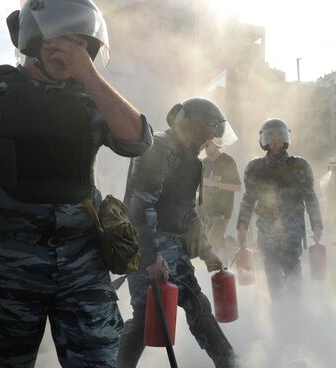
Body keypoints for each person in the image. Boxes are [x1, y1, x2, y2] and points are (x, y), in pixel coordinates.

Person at [0, 1, 152, 366]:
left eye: (83, 42)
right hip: (9, 260)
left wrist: (90, 75)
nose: (73, 49)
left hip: (84, 260)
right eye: (64, 38)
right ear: (34, 35)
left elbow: (136, 141)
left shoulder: (91, 97)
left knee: (99, 360)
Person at [118, 98, 237, 368]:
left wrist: (207, 253)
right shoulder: (156, 148)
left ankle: (231, 364)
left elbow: (188, 214)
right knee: (144, 319)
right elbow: (140, 206)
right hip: (147, 247)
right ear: (195, 129)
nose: (210, 142)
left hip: (175, 251)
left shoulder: (192, 161)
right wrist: (151, 257)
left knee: (199, 308)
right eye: (209, 135)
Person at [236, 118, 323, 299]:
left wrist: (317, 224)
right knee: (271, 265)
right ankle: (279, 307)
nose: (276, 143)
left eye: (279, 138)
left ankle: (296, 305)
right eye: (271, 138)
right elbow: (249, 199)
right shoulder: (255, 168)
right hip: (267, 225)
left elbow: (310, 196)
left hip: (292, 223)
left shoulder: (299, 166)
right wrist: (242, 226)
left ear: (286, 139)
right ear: (264, 141)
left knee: (291, 263)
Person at [200, 142, 242, 262]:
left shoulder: (227, 161)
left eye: (209, 143)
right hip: (207, 212)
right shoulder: (204, 162)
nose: (206, 146)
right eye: (205, 143)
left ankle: (220, 269)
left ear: (218, 144)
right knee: (208, 243)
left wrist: (215, 184)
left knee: (213, 241)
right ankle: (224, 267)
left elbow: (237, 187)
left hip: (222, 212)